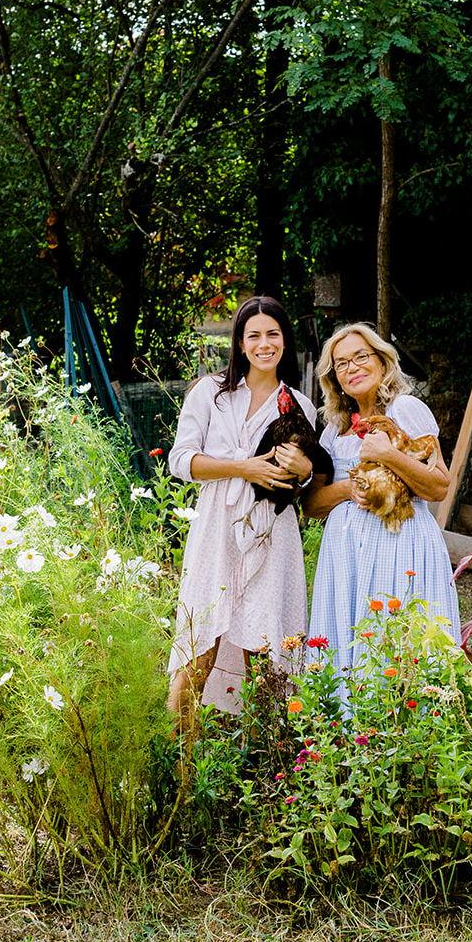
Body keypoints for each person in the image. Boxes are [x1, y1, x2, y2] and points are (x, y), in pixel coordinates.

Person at [166, 296, 322, 745]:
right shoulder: (211, 393)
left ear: (285, 341)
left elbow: (305, 480)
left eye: (273, 333)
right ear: (238, 342)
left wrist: (302, 470)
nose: (264, 343)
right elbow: (182, 460)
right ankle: (177, 759)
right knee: (200, 641)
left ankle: (263, 759)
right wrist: (244, 467)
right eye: (253, 334)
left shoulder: (299, 407)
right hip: (217, 524)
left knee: (265, 644)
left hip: (271, 529)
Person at [304, 322, 461, 682]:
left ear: (381, 360)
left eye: (361, 357)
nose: (352, 368)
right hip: (345, 554)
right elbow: (312, 505)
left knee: (398, 639)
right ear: (335, 379)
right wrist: (348, 490)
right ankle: (352, 732)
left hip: (399, 544)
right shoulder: (334, 429)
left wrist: (388, 455)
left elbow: (439, 487)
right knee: (351, 639)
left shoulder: (406, 409)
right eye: (341, 364)